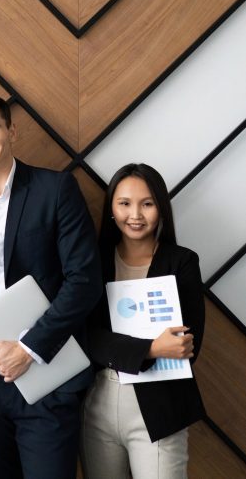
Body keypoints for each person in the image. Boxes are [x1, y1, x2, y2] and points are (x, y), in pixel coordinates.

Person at [0, 92, 101, 479]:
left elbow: (85, 280)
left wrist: (29, 347)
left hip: (48, 373)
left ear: (11, 130)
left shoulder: (57, 189)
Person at [80, 163, 205, 479]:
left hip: (161, 405)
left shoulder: (182, 262)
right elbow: (84, 336)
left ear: (161, 207)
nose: (135, 214)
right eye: (124, 203)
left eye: (147, 204)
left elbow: (186, 345)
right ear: (111, 208)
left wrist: (120, 347)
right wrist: (150, 348)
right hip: (98, 404)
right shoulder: (92, 260)